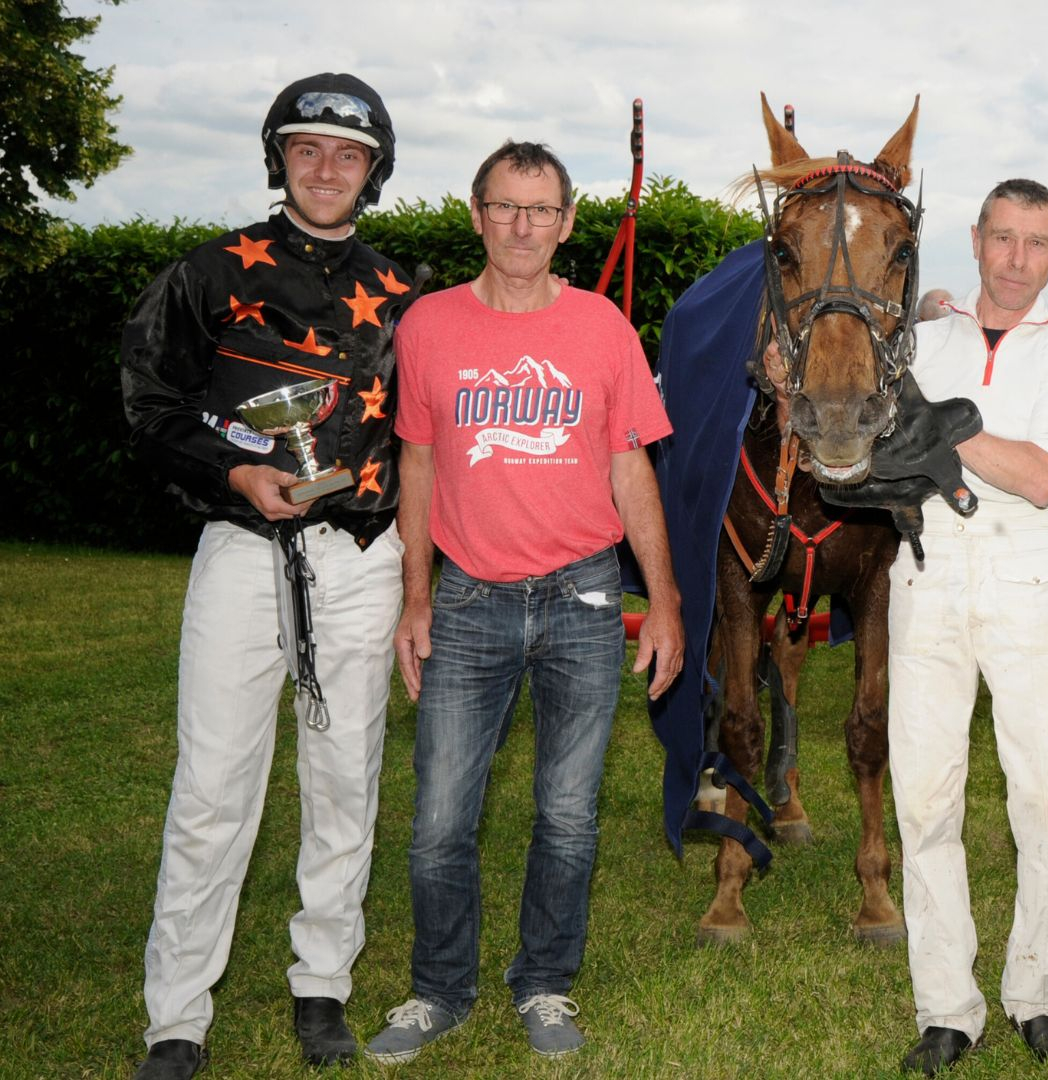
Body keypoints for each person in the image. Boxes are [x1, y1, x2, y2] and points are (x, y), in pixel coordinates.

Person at [364, 141, 684, 1064]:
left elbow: (633, 469)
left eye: (541, 210)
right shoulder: (427, 326)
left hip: (584, 597)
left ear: (567, 224)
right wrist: (416, 595)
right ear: (475, 213)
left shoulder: (603, 330)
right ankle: (438, 991)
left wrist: (660, 602)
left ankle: (545, 984)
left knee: (568, 814)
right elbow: (417, 464)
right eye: (505, 207)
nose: (521, 226)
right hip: (466, 600)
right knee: (439, 818)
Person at [121, 72, 411, 1079]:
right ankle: (176, 1018)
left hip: (364, 559)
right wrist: (237, 469)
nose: (326, 168)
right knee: (211, 785)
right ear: (277, 158)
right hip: (242, 554)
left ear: (373, 170)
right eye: (306, 149)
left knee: (344, 779)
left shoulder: (404, 298)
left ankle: (322, 985)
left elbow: (423, 445)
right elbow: (150, 406)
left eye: (348, 154)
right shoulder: (208, 274)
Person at [887, 179, 1048, 1075]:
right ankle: (946, 1006)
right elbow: (867, 448)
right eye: (1003, 238)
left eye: (1037, 243)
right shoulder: (916, 340)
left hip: (1024, 575)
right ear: (975, 241)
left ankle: (1039, 993)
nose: (1016, 260)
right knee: (926, 798)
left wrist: (935, 424)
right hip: (926, 573)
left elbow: (1041, 476)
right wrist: (937, 430)